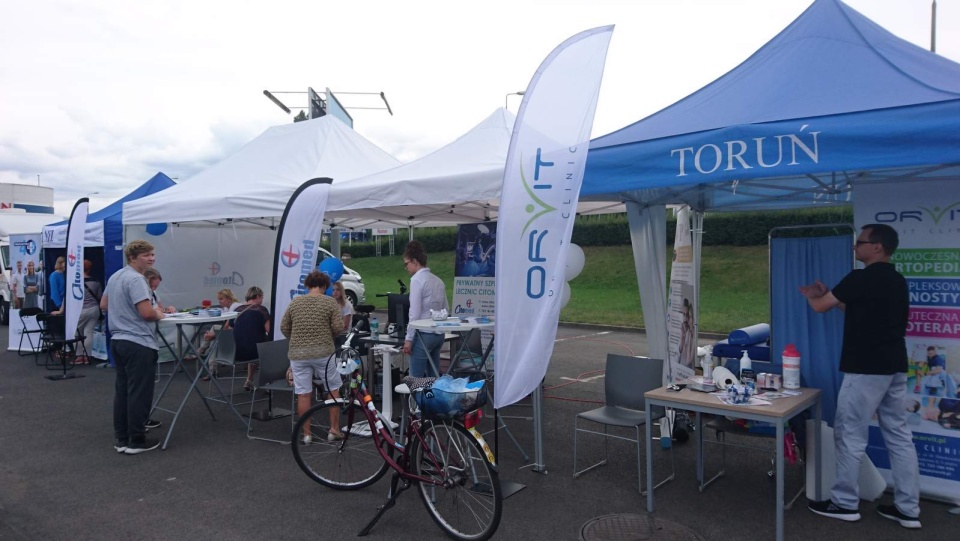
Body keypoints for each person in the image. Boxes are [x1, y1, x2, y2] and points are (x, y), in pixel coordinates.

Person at [800, 224, 921, 529]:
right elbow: (852, 308)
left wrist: (813, 296)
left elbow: (820, 307)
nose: (856, 247)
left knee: (850, 434)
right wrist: (830, 296)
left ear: (877, 246)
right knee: (899, 436)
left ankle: (844, 503)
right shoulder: (896, 280)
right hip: (894, 366)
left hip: (865, 368)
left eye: (860, 242)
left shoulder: (861, 278)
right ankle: (908, 508)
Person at [101, 240, 166, 455]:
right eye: (146, 255)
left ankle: (122, 439)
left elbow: (104, 305)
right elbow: (147, 313)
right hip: (138, 341)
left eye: (152, 254)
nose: (151, 258)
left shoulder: (115, 276)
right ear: (132, 258)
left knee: (123, 392)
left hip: (118, 340)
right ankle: (137, 440)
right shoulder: (137, 279)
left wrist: (123, 313)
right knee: (139, 392)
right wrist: (159, 312)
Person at [280, 271, 344, 443]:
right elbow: (339, 328)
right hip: (323, 353)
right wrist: (325, 334)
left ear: (308, 285)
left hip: (298, 354)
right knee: (333, 389)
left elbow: (284, 327)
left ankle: (307, 434)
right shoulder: (330, 302)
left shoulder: (296, 302)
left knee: (303, 394)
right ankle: (334, 430)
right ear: (325, 286)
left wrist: (298, 338)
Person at [402, 240, 449, 377]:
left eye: (407, 264)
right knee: (433, 376)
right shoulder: (438, 280)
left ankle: (416, 399)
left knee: (415, 379)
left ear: (414, 261)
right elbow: (445, 308)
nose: (406, 268)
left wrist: (408, 339)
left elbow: (414, 313)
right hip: (438, 334)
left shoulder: (416, 280)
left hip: (423, 334)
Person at [233, 286, 270, 391]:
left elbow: (227, 328)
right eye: (262, 298)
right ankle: (267, 382)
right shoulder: (261, 310)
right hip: (254, 352)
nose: (262, 300)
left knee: (251, 340)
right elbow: (269, 331)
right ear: (258, 296)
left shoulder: (236, 310)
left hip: (235, 353)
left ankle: (249, 380)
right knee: (269, 344)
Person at [72, 260, 102, 365]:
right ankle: (87, 356)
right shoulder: (96, 281)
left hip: (80, 310)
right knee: (89, 332)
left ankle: (79, 357)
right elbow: (99, 297)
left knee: (76, 333)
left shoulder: (75, 281)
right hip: (94, 309)